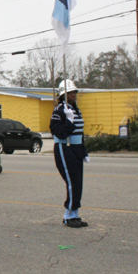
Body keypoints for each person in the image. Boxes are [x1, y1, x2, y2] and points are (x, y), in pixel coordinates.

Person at [50, 80, 90, 228]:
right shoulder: (59, 110)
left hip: (76, 148)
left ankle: (74, 214)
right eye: (70, 93)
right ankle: (69, 216)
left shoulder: (74, 109)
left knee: (78, 182)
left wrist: (83, 151)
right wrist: (69, 121)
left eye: (74, 92)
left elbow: (80, 132)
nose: (74, 95)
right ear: (63, 94)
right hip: (65, 147)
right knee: (72, 182)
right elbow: (59, 133)